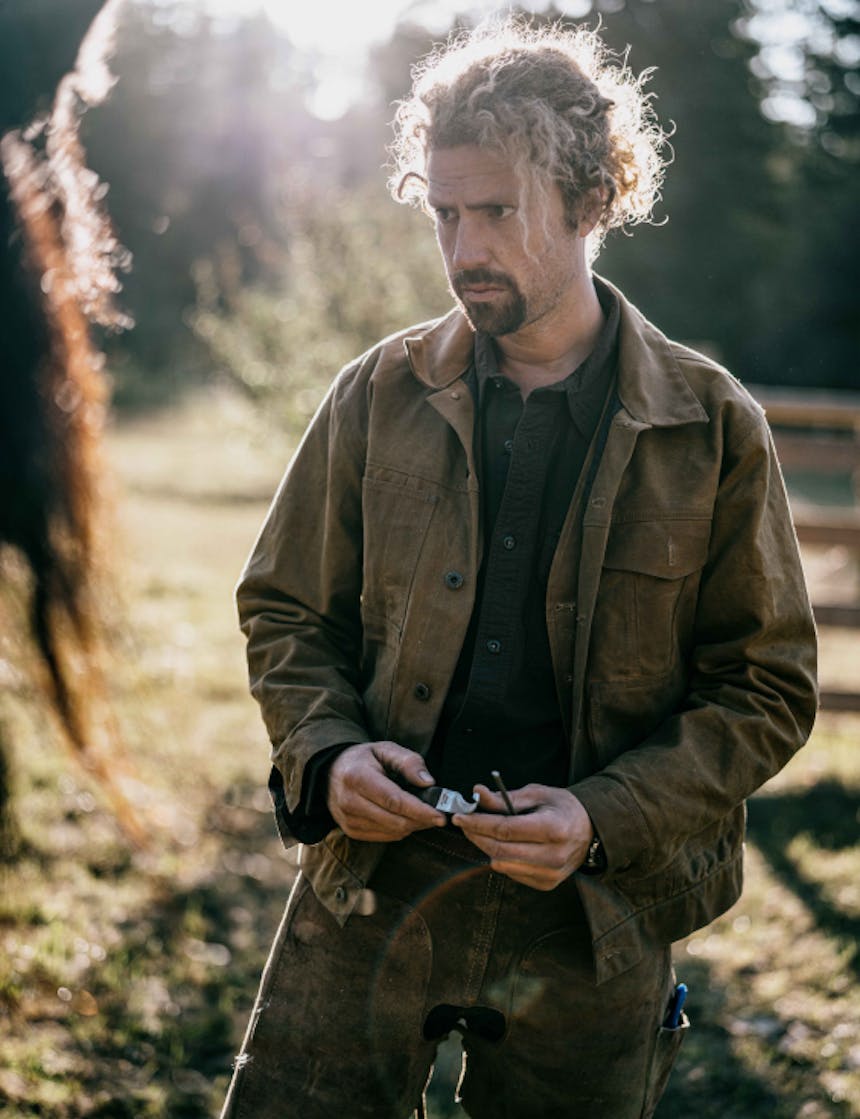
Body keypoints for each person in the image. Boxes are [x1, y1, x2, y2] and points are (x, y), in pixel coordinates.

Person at [223, 17, 817, 1119]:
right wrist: (328, 754)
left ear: (589, 202)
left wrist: (601, 818)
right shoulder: (373, 393)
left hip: (591, 924)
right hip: (364, 900)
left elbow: (764, 688)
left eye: (494, 211)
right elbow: (284, 610)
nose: (460, 250)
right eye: (444, 213)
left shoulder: (709, 424)